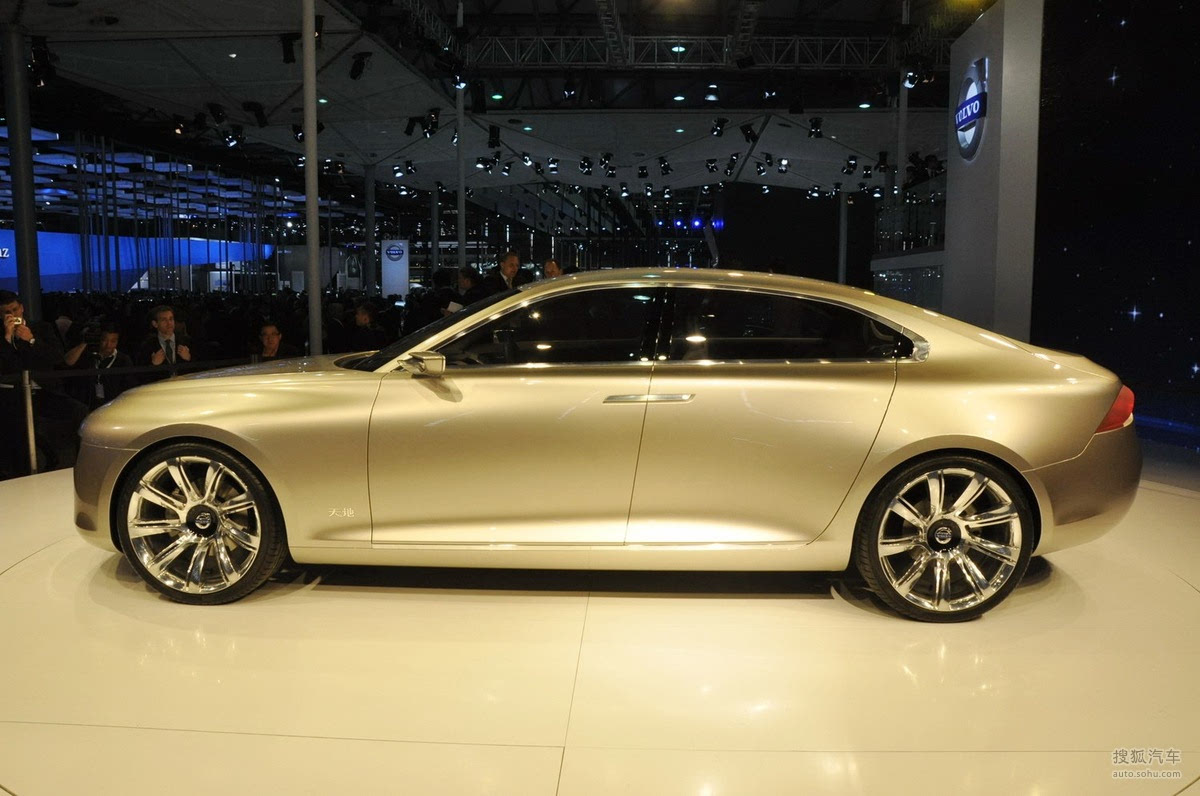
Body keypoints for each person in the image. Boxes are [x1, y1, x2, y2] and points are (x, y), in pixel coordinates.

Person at [0, 290, 89, 469]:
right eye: (7, 312)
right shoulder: (2, 337)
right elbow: (5, 366)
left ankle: (81, 462)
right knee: (20, 426)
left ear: (22, 308)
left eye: (15, 310)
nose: (13, 315)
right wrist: (8, 339)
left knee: (80, 411)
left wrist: (31, 340)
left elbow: (56, 357)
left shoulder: (42, 328)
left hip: (44, 390)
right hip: (13, 394)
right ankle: (24, 468)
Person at [67, 326, 135, 409]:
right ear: (99, 339)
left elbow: (129, 386)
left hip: (114, 406)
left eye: (113, 341)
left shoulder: (123, 360)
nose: (108, 345)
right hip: (88, 405)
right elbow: (68, 362)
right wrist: (85, 342)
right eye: (104, 340)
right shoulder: (90, 355)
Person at [135, 305, 194, 378]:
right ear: (155, 324)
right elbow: (140, 375)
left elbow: (200, 369)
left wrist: (189, 358)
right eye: (164, 320)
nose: (169, 323)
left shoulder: (187, 342)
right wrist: (153, 365)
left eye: (171, 319)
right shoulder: (147, 346)